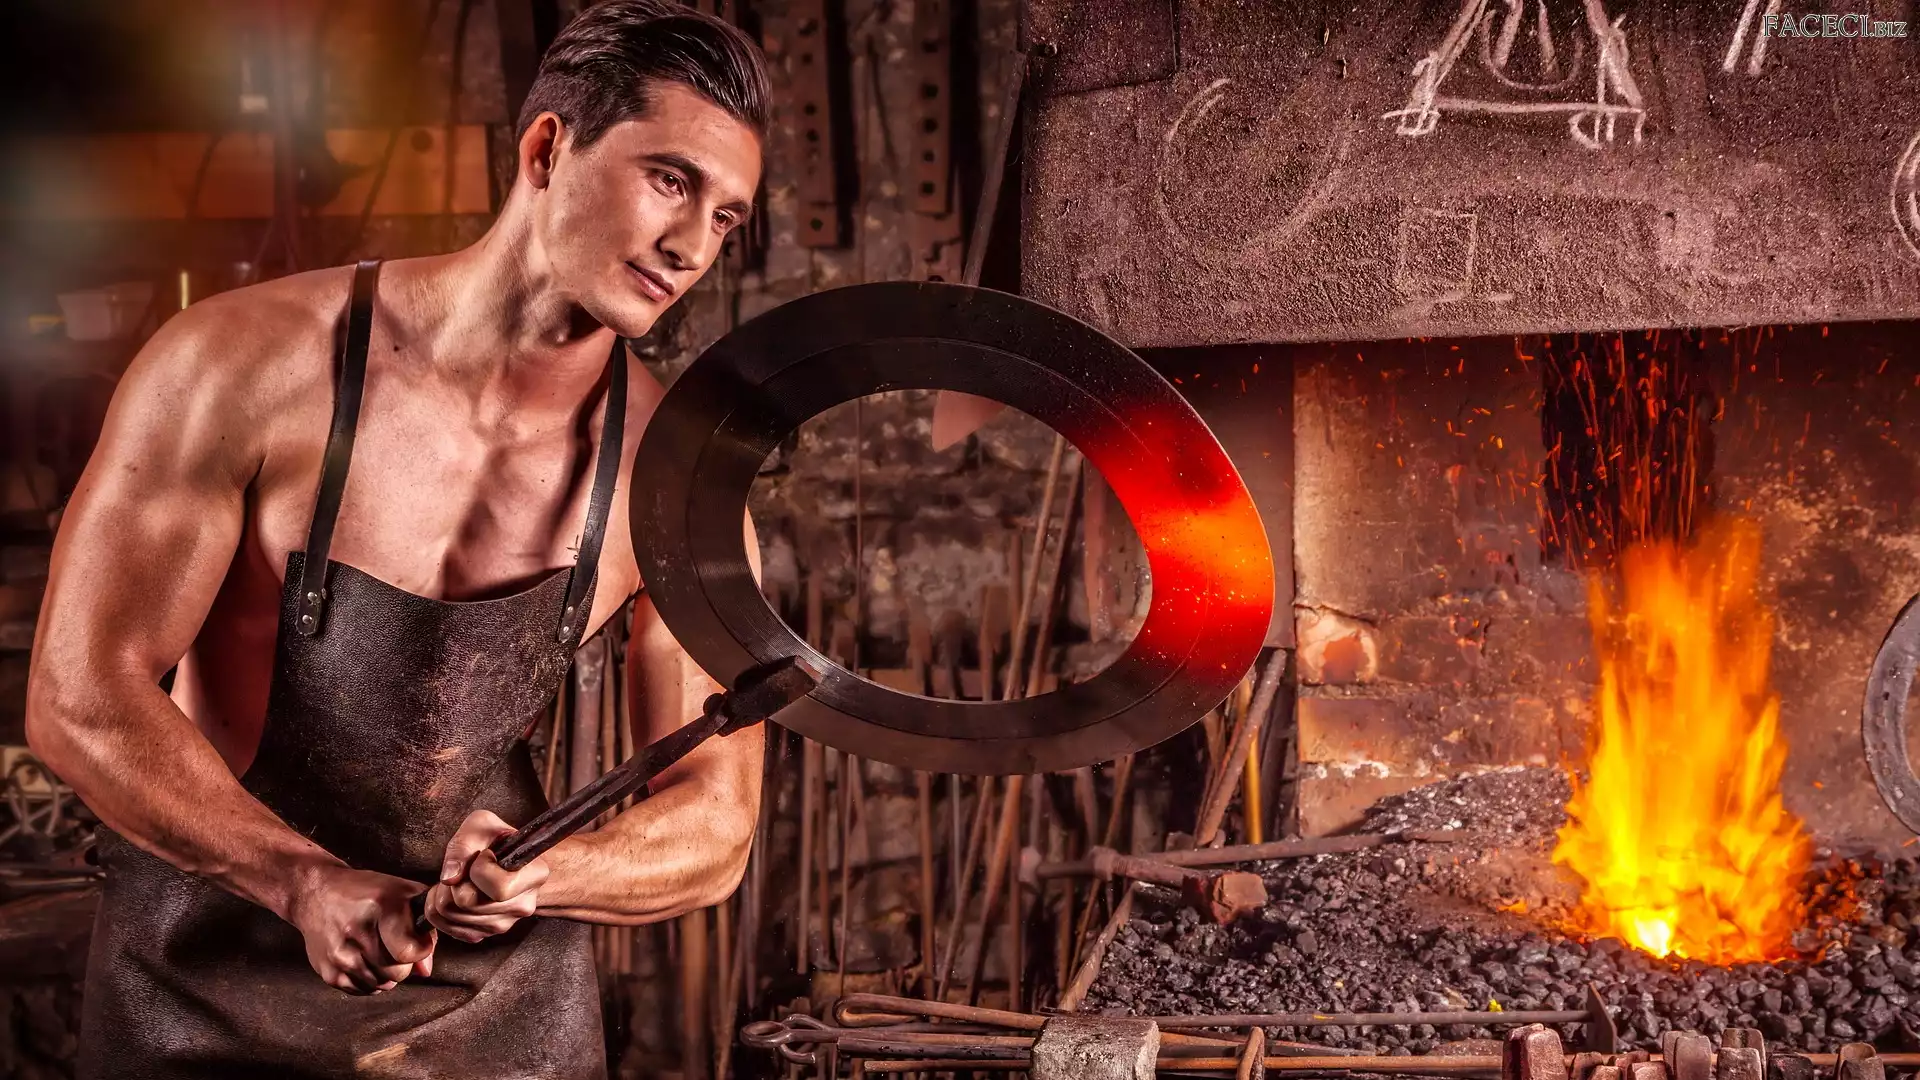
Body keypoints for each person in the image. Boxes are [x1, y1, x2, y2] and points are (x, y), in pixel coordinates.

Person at [25, 3, 769, 1076]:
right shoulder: (242, 366)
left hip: (495, 1006)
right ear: (547, 149)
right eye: (669, 180)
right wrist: (301, 881)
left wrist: (544, 875)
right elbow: (80, 695)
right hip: (205, 972)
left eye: (726, 217)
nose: (691, 245)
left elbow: (715, 826)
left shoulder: (678, 482)